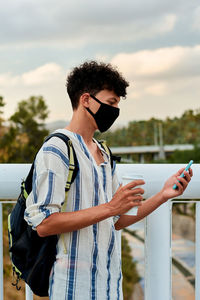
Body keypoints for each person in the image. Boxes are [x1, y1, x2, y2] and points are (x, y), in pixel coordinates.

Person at [24, 61, 193, 300]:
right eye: (111, 102)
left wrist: (164, 194)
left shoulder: (103, 153)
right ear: (86, 100)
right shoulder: (57, 149)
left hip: (110, 287)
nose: (114, 111)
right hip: (73, 288)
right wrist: (111, 207)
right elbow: (44, 223)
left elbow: (115, 220)